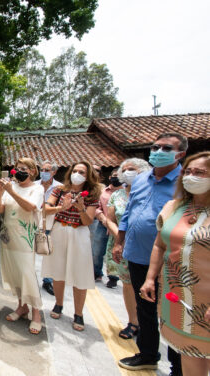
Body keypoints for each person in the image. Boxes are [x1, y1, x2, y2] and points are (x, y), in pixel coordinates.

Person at [113, 133, 187, 372]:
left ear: (180, 154)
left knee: (173, 312)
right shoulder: (143, 179)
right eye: (155, 146)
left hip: (170, 259)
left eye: (167, 147)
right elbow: (128, 213)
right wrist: (119, 241)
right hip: (137, 254)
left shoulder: (186, 182)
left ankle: (178, 365)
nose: (159, 150)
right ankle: (147, 353)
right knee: (144, 308)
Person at [139, 151, 209, 376]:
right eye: (188, 172)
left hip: (206, 300)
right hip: (178, 296)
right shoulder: (175, 207)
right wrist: (150, 278)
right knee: (189, 356)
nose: (191, 176)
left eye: (200, 172)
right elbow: (160, 245)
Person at [41, 161, 101, 331]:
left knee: (80, 274)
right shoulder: (60, 190)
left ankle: (78, 313)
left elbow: (88, 221)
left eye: (81, 172)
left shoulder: (91, 195)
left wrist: (81, 207)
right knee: (57, 271)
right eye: (75, 170)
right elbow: (46, 209)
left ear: (87, 175)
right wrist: (62, 207)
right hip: (59, 230)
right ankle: (59, 304)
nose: (77, 174)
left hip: (79, 234)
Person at [96, 158, 151, 340]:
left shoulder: (150, 192)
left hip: (147, 248)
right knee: (128, 284)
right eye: (124, 169)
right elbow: (110, 219)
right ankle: (133, 322)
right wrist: (121, 239)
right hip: (122, 246)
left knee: (149, 287)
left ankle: (150, 324)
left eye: (132, 169)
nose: (127, 172)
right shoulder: (117, 195)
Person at [0, 158, 45, 334]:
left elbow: (31, 207)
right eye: (17, 168)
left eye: (24, 168)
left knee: (27, 273)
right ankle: (21, 306)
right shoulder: (11, 186)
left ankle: (36, 313)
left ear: (32, 171)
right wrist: (0, 193)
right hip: (8, 236)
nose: (19, 171)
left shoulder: (37, 188)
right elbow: (0, 210)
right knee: (14, 272)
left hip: (26, 238)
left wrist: (11, 191)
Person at [36, 161, 63, 296]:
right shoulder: (34, 185)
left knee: (48, 251)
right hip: (34, 220)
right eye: (42, 169)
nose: (44, 172)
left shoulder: (60, 188)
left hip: (51, 222)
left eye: (47, 170)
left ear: (54, 172)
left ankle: (47, 280)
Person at [92, 168, 124, 286]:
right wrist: (102, 218)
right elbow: (96, 207)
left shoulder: (125, 193)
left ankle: (113, 277)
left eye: (119, 176)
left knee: (113, 251)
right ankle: (96, 272)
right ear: (110, 177)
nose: (117, 178)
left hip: (118, 227)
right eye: (115, 176)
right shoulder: (103, 192)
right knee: (97, 250)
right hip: (102, 225)